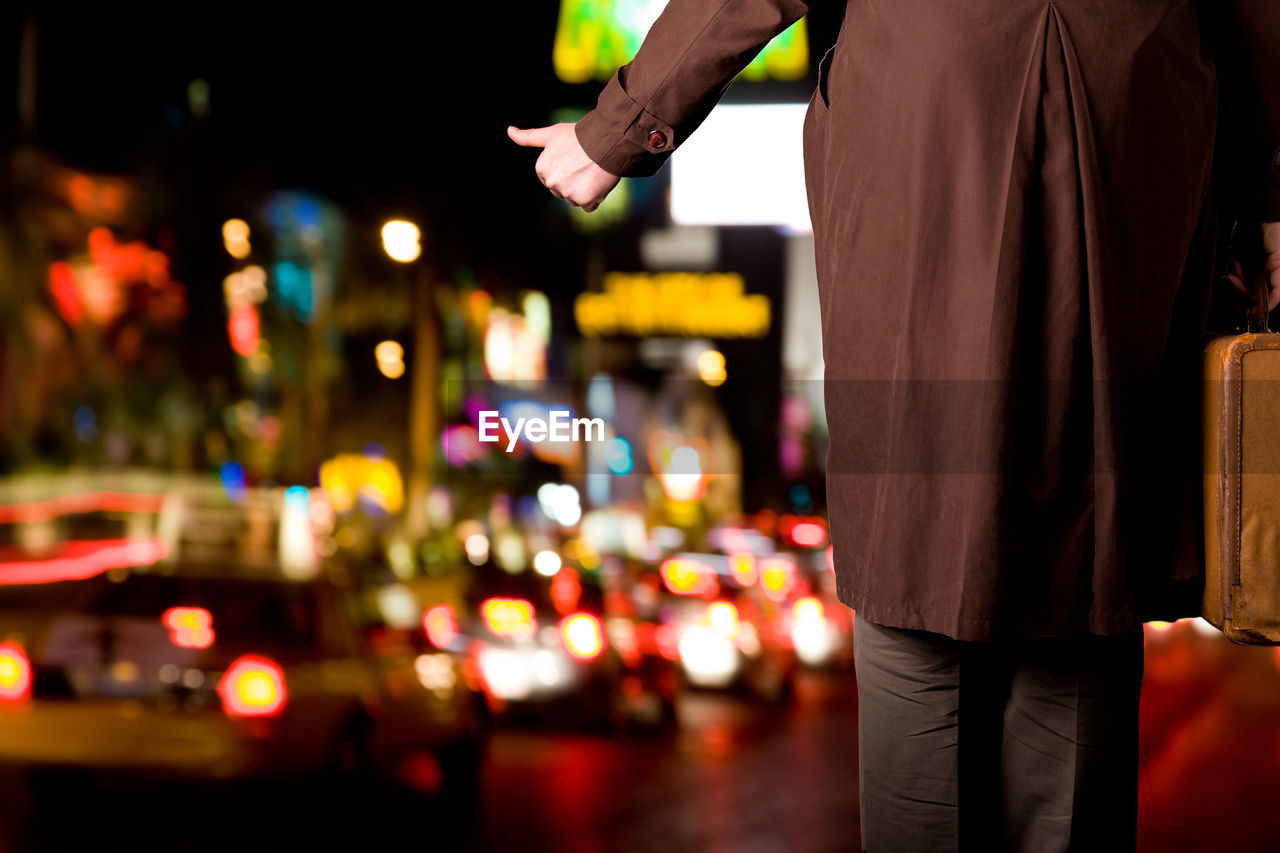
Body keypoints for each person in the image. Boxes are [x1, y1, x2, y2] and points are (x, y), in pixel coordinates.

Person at [508, 1, 1280, 850]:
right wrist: (1269, 197)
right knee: (1085, 569)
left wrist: (618, 126)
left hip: (932, 98)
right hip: (1132, 104)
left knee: (916, 545)